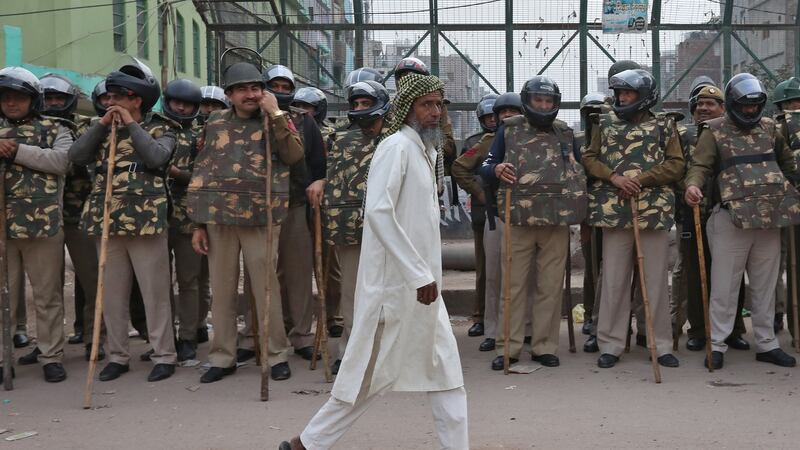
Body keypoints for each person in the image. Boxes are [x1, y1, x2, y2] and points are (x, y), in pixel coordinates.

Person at [279, 73, 468, 450]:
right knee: (366, 377)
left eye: (438, 104)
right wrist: (417, 274)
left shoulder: (426, 152)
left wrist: (424, 276)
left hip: (423, 289)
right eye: (425, 104)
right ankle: (306, 443)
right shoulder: (395, 147)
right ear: (407, 109)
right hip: (395, 290)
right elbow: (379, 213)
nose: (435, 112)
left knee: (446, 374)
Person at [187, 61, 301, 383]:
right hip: (219, 217)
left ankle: (276, 353)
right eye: (242, 90)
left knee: (267, 287)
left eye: (255, 88)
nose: (250, 95)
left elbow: (294, 156)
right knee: (222, 291)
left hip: (262, 217)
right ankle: (223, 357)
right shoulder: (214, 122)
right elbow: (202, 169)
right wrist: (196, 223)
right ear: (229, 94)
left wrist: (276, 114)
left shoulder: (277, 119)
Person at [68, 59, 178, 382]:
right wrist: (102, 125)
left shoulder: (162, 127)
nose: (111, 102)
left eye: (119, 97)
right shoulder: (100, 129)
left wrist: (131, 124)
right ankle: (117, 355)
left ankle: (164, 355)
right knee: (111, 294)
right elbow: (76, 157)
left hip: (146, 222)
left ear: (136, 100)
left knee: (155, 294)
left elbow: (157, 157)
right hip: (107, 222)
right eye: (109, 97)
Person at [685, 73, 800, 369]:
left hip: (769, 218)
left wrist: (789, 191)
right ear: (734, 103)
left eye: (755, 106)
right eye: (745, 106)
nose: (750, 111)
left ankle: (766, 344)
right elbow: (700, 164)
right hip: (729, 218)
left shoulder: (770, 127)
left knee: (764, 284)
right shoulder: (713, 130)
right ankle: (717, 345)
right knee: (724, 286)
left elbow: (787, 163)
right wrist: (693, 186)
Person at [480, 76, 587, 370]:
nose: (543, 105)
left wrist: (577, 211)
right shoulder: (509, 130)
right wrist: (497, 169)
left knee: (550, 287)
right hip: (517, 221)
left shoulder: (565, 133)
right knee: (512, 287)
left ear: (555, 103)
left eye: (548, 101)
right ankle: (508, 347)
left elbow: (579, 173)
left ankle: (544, 346)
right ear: (528, 102)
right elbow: (486, 166)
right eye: (538, 100)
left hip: (555, 221)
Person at [582, 68, 685, 369]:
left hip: (652, 214)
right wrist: (614, 177)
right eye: (619, 93)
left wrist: (642, 178)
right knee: (614, 281)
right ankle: (611, 344)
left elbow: (676, 164)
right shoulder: (604, 123)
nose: (622, 98)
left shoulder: (665, 126)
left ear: (645, 97)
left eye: (628, 93)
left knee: (654, 282)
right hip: (615, 214)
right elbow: (590, 158)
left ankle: (660, 344)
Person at [0, 67, 73, 383]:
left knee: (47, 296)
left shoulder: (55, 129)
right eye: (5, 98)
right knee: (5, 297)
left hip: (43, 226)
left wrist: (17, 151)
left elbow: (63, 162)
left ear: (33, 99)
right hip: (2, 229)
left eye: (18, 97)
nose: (11, 103)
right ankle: (4, 357)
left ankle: (51, 356)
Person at [673, 81, 749, 352]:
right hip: (695, 214)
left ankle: (734, 330)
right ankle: (698, 330)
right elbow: (675, 169)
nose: (704, 108)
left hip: (730, 215)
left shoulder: (733, 133)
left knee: (732, 276)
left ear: (723, 109)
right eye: (699, 105)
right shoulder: (682, 135)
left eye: (710, 104)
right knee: (696, 274)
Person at [322, 80, 391, 374]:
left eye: (366, 103)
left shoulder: (398, 138)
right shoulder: (339, 138)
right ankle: (349, 352)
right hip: (348, 228)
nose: (361, 109)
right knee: (351, 293)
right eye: (357, 104)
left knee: (388, 294)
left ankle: (386, 353)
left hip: (389, 230)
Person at [454, 92, 524, 354]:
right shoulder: (485, 143)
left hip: (525, 217)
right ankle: (492, 328)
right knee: (492, 275)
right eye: (501, 113)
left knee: (522, 278)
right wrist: (482, 193)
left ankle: (523, 329)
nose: (506, 117)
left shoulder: (533, 138)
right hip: (493, 217)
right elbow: (460, 167)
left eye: (512, 112)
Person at [162, 78, 204, 362]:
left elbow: (205, 178)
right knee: (159, 282)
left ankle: (188, 335)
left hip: (189, 218)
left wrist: (175, 173)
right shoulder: (152, 131)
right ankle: (164, 338)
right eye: (176, 102)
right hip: (154, 217)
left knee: (189, 280)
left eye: (187, 104)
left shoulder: (201, 137)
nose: (180, 107)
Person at [456, 93, 497, 341]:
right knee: (484, 269)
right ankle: (480, 316)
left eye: (496, 116)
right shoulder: (475, 142)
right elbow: (461, 171)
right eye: (488, 117)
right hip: (484, 215)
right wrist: (481, 195)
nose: (493, 121)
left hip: (512, 213)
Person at [576, 92, 608, 353]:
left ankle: (608, 319)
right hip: (589, 214)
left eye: (598, 112)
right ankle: (589, 316)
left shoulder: (613, 137)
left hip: (612, 213)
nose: (594, 118)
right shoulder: (577, 142)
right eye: (590, 113)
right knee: (592, 269)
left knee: (612, 269)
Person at [773, 76, 800, 343]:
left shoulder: (779, 127)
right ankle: (778, 316)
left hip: (785, 206)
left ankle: (778, 315)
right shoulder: (779, 128)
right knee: (780, 263)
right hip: (786, 206)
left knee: (780, 263)